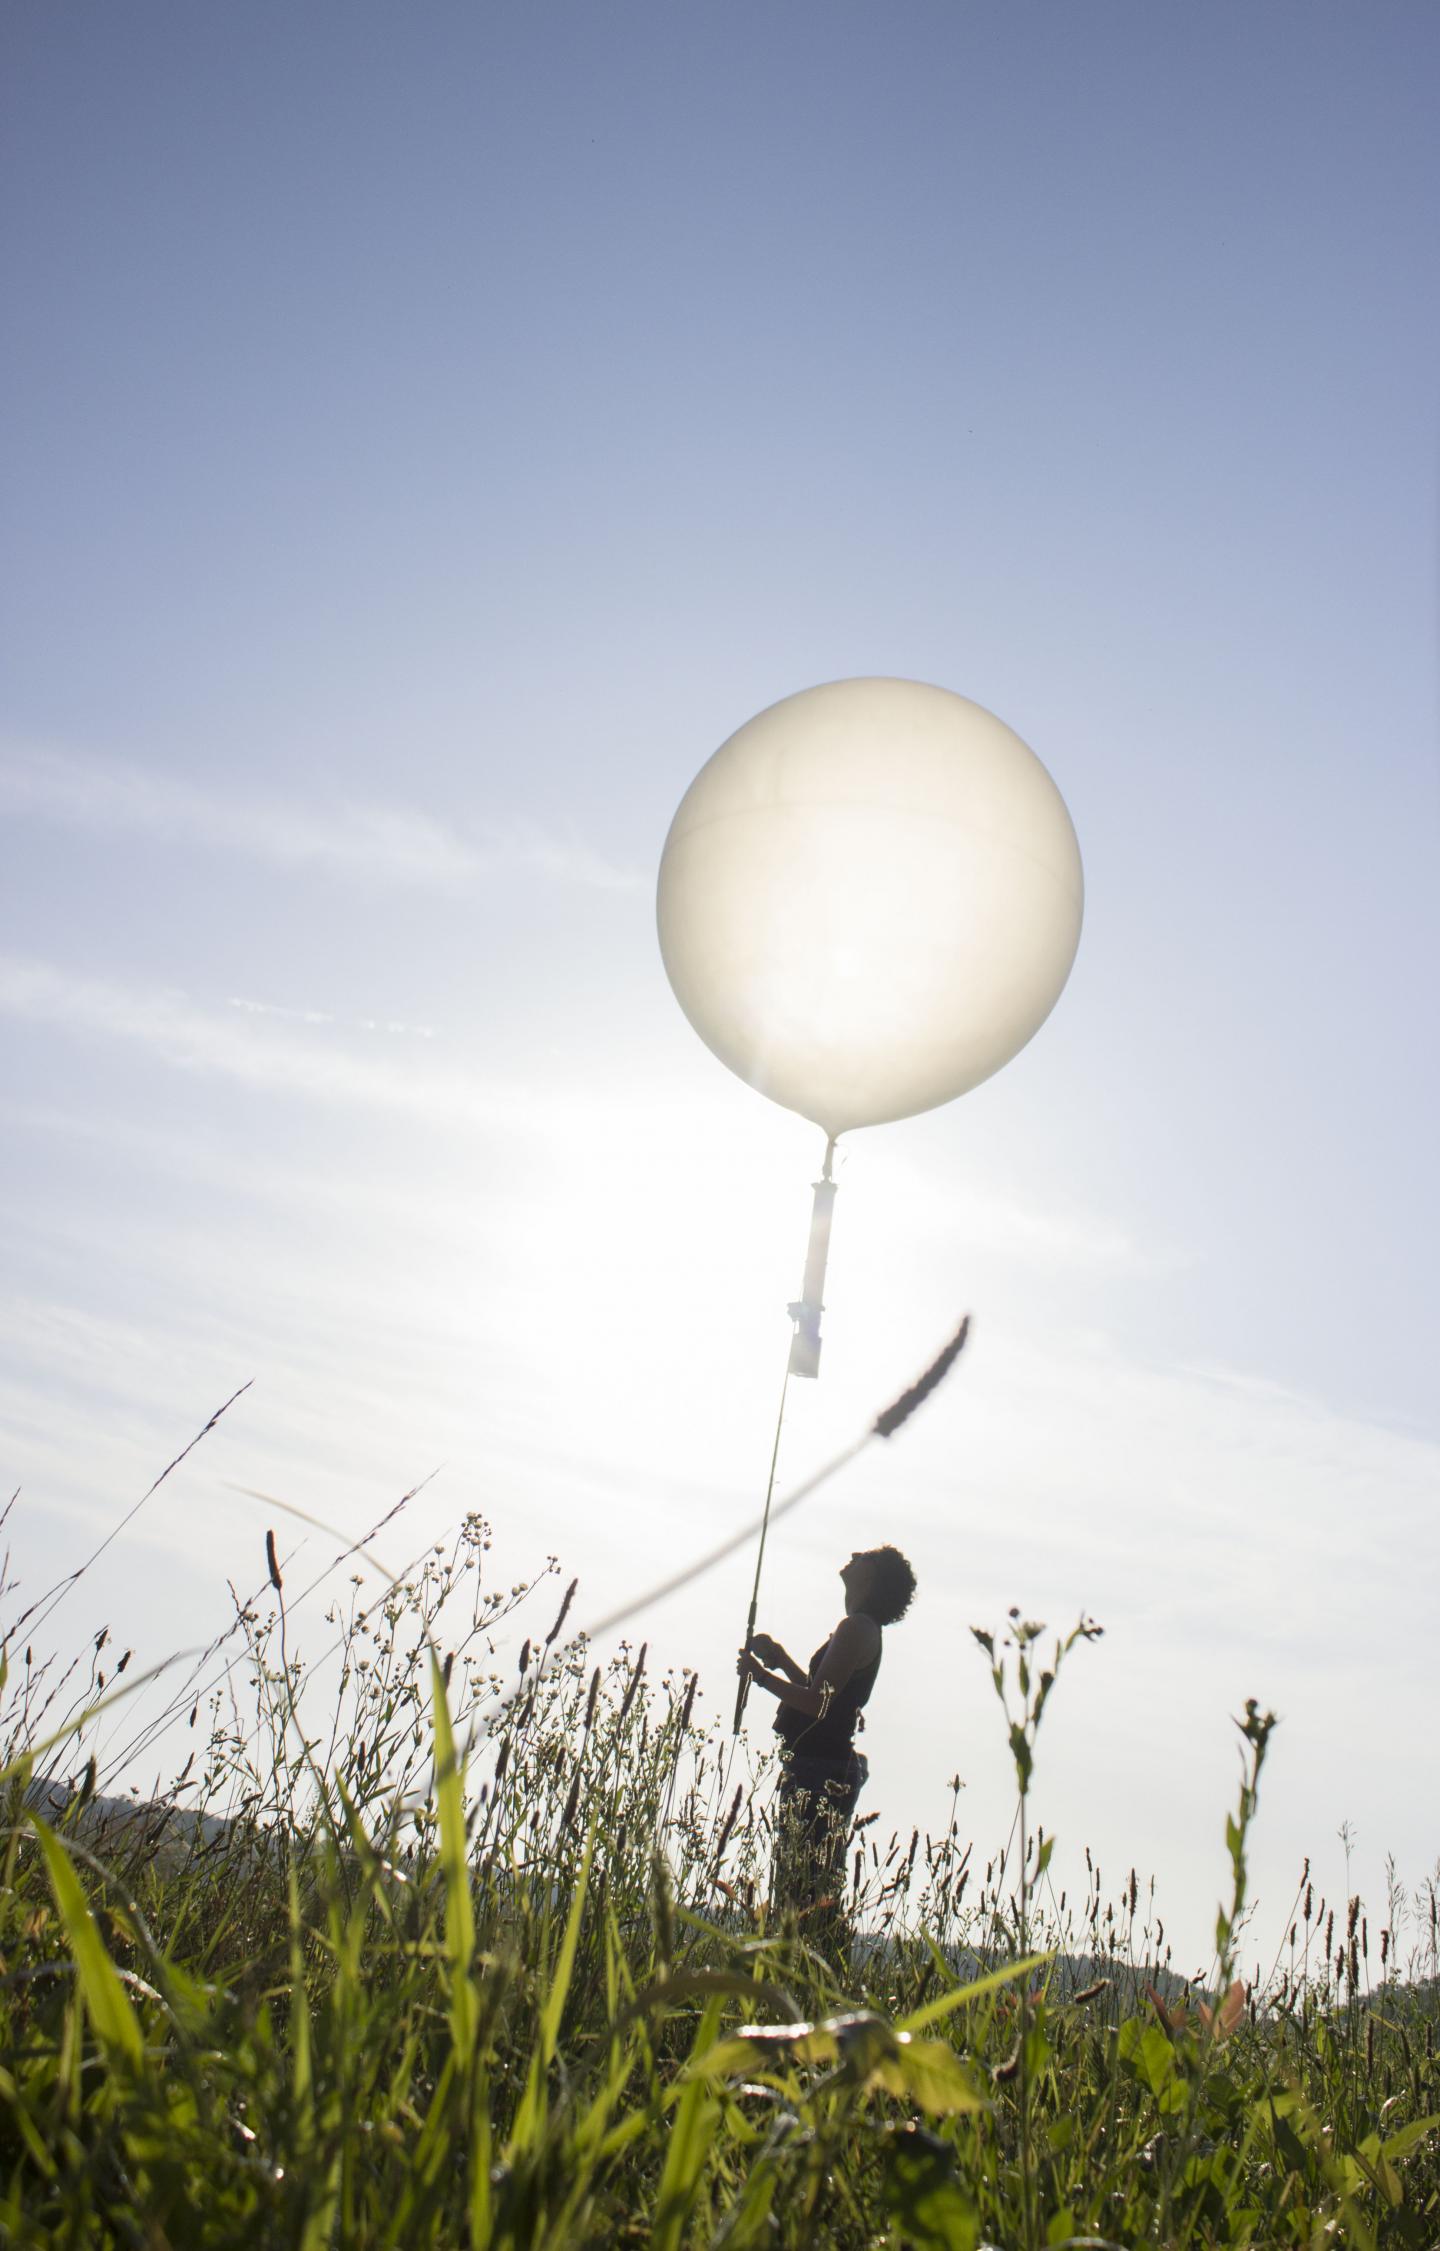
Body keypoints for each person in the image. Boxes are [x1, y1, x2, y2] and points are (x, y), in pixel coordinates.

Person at [737, 1544, 916, 1927]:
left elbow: (816, 1705)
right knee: (811, 1888)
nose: (854, 1555)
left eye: (865, 1555)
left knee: (800, 1891)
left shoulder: (855, 1628)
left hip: (818, 1772)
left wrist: (761, 1677)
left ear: (872, 1576)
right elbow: (825, 1700)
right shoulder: (864, 1629)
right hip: (824, 1767)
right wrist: (781, 1659)